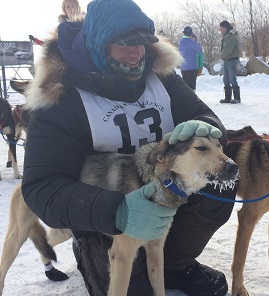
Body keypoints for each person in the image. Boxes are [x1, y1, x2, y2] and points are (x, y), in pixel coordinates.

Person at [22, 0, 236, 295]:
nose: (137, 54)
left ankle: (175, 262)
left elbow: (205, 117)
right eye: (124, 44)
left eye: (143, 43)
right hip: (102, 216)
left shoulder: (161, 75)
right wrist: (116, 211)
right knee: (133, 286)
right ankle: (92, 252)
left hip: (162, 189)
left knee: (218, 181)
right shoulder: (61, 96)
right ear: (98, 45)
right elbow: (42, 187)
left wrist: (206, 126)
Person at [219, 20, 241, 104]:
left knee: (232, 79)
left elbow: (228, 49)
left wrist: (221, 56)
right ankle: (227, 97)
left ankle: (237, 98)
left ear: (225, 28)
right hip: (227, 60)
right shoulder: (226, 36)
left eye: (221, 27)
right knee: (226, 79)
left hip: (232, 60)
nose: (220, 29)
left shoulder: (230, 36)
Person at [178, 26, 204, 91]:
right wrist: (196, 41)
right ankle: (192, 99)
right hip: (192, 67)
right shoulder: (192, 42)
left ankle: (185, 98)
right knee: (192, 86)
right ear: (191, 33)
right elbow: (200, 50)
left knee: (185, 85)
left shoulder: (180, 42)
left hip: (183, 67)